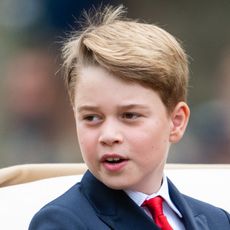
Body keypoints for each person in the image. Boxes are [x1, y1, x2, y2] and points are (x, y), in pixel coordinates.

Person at [29, 5, 230, 229]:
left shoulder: (217, 220)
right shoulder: (62, 222)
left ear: (176, 122)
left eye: (130, 115)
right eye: (92, 118)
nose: (109, 135)